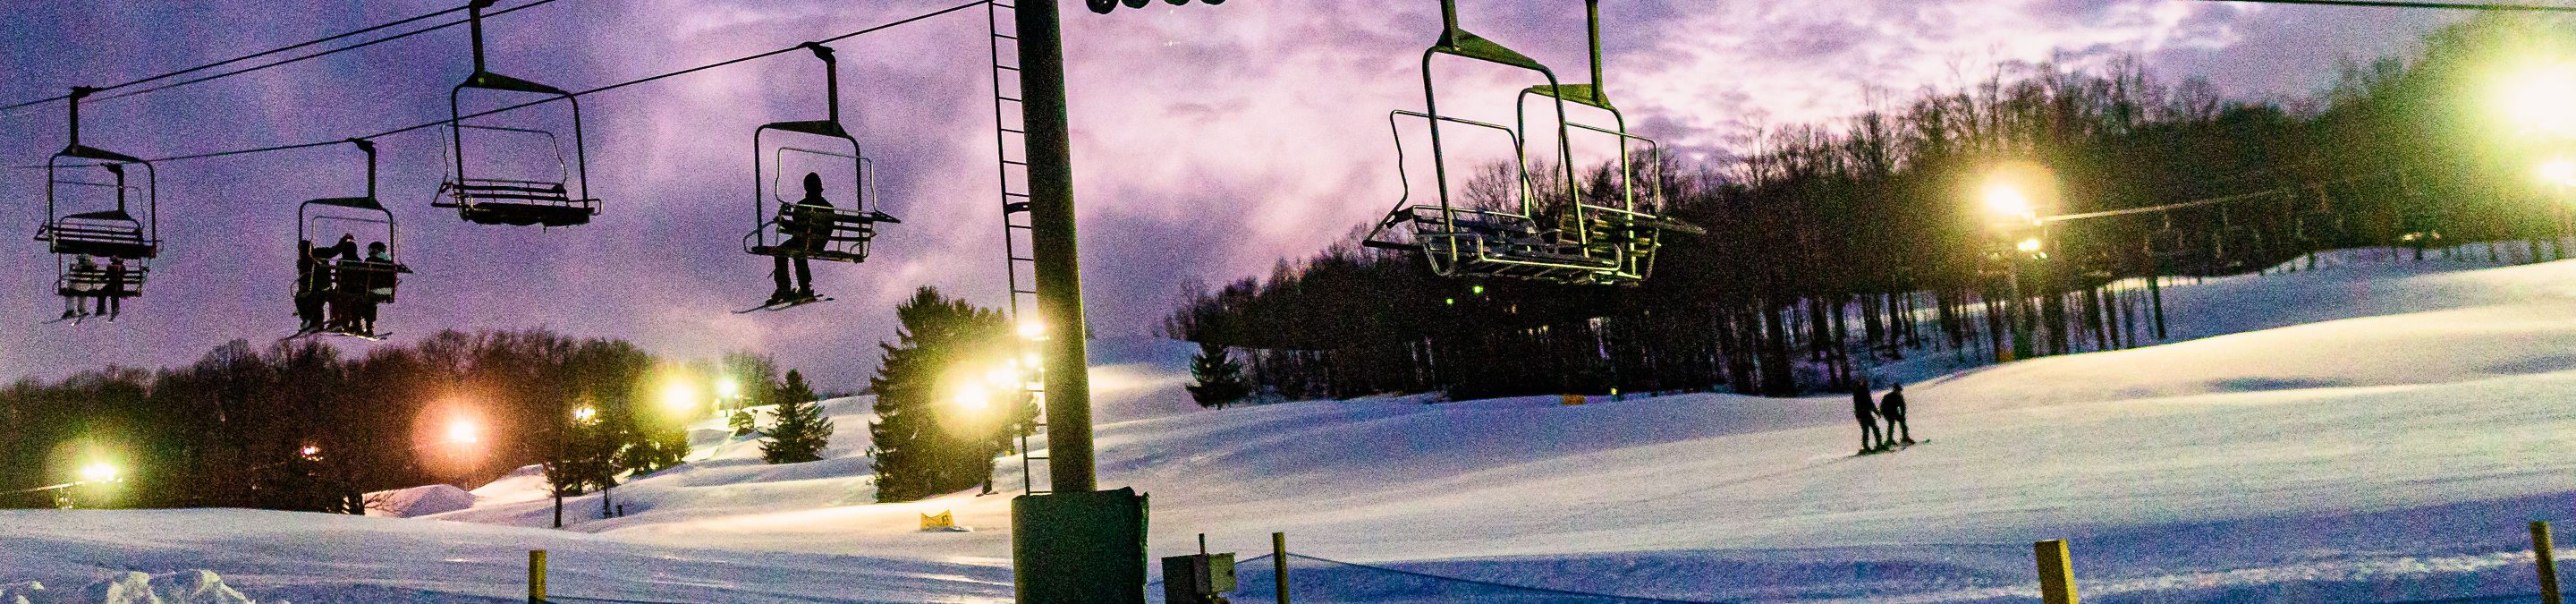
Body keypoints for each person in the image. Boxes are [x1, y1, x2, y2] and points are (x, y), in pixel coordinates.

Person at [768, 172, 834, 305]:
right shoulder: (829, 207)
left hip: (802, 242)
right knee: (800, 253)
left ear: (806, 188)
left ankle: (783, 288)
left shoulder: (801, 206)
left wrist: (782, 222)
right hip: (818, 244)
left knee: (781, 251)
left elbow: (797, 229)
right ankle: (804, 288)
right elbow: (829, 229)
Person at [322, 234, 359, 332]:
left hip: (343, 288)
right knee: (350, 301)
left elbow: (338, 276)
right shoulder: (360, 262)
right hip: (358, 290)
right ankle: (353, 324)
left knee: (335, 298)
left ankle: (336, 321)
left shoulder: (341, 262)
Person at [294, 240, 328, 332]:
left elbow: (310, 272)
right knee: (307, 300)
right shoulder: (308, 260)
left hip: (314, 287)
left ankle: (308, 320)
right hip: (314, 287)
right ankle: (313, 322)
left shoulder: (309, 260)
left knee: (308, 300)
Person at [1852, 381, 1880, 454]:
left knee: (1866, 430)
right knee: (1874, 428)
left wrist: (1857, 415)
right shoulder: (1864, 391)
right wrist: (1877, 413)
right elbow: (1870, 403)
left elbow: (1857, 405)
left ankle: (1866, 447)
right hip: (1865, 414)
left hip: (1861, 414)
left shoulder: (1856, 391)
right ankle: (1878, 445)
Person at [1881, 382, 1912, 446]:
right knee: (1891, 424)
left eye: (1900, 391)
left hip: (1894, 412)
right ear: (1895, 390)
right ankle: (1889, 440)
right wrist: (1886, 415)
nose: (1899, 392)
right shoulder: (1888, 396)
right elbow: (1883, 407)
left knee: (1902, 422)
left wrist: (1902, 416)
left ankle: (1905, 437)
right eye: (1898, 391)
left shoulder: (1900, 397)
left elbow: (1902, 407)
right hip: (1887, 413)